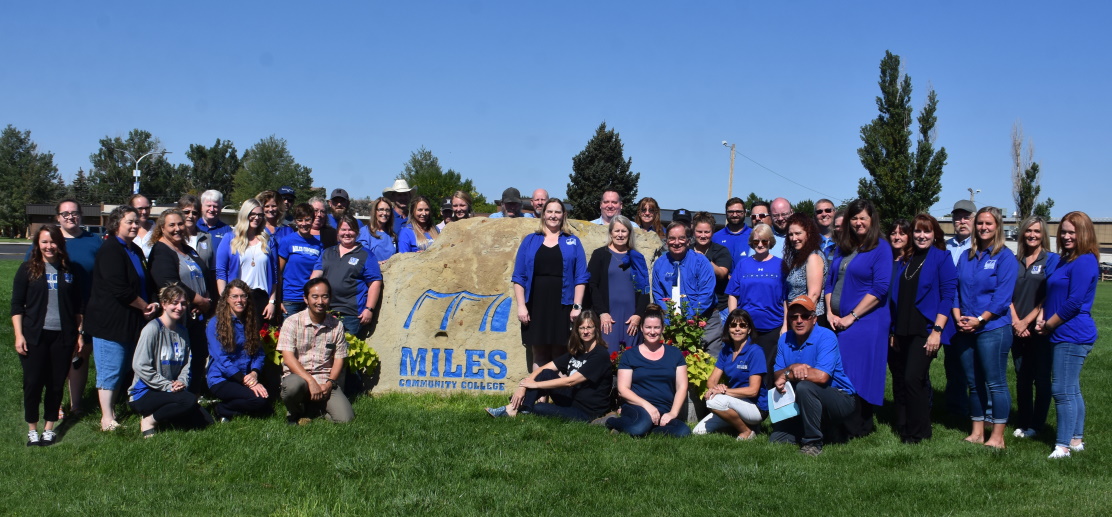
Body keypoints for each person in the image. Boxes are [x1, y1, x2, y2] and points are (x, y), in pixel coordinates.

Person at [86, 205, 159, 432]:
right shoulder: (110, 250)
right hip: (110, 322)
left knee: (128, 366)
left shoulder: (134, 250)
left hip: (132, 319)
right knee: (111, 368)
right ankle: (107, 417)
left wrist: (153, 301)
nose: (135, 225)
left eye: (136, 222)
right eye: (130, 221)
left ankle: (121, 408)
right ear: (116, 223)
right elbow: (119, 288)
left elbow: (144, 281)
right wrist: (144, 305)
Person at [824, 199, 892, 438]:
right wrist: (830, 312)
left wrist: (852, 316)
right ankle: (842, 422)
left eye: (863, 217)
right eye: (854, 218)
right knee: (841, 371)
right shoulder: (843, 247)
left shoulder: (881, 248)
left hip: (867, 322)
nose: (858, 222)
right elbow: (830, 282)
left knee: (858, 371)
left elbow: (880, 288)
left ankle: (859, 425)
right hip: (839, 320)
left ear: (872, 220)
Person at [887, 214, 956, 444]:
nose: (921, 236)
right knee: (903, 379)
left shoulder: (941, 258)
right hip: (903, 329)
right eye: (917, 231)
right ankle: (905, 427)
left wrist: (937, 330)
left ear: (934, 233)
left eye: (926, 231)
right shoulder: (908, 258)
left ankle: (921, 431)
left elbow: (947, 296)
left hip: (925, 330)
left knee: (912, 379)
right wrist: (895, 331)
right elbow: (899, 297)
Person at [952, 206, 1017, 449]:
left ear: (998, 226)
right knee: (974, 382)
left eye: (989, 224)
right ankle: (977, 432)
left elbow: (1002, 297)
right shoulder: (967, 257)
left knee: (995, 382)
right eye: (980, 223)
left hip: (993, 328)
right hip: (966, 327)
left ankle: (997, 437)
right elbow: (955, 290)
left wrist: (981, 319)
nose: (983, 228)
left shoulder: (1005, 257)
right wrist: (959, 317)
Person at [12, 225, 82, 446]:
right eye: (44, 241)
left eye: (53, 242)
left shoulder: (70, 270)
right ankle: (32, 428)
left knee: (55, 383)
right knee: (33, 382)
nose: (49, 246)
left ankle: (49, 427)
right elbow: (16, 306)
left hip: (63, 337)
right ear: (37, 244)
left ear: (60, 244)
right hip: (34, 336)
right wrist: (19, 335)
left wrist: (79, 334)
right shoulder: (28, 269)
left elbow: (78, 306)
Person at [1037, 211, 1099, 459]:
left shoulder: (1085, 261)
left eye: (1072, 232)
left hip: (1072, 333)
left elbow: (1074, 303)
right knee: (1072, 389)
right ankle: (1076, 440)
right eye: (1063, 231)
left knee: (1061, 390)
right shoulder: (1067, 260)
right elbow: (1055, 296)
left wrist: (1048, 325)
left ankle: (1062, 446)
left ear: (1084, 233)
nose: (1066, 236)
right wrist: (1044, 316)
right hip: (1062, 331)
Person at [485, 310, 614, 422]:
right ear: (577, 331)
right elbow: (544, 368)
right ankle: (513, 409)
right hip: (572, 400)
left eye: (589, 327)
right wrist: (523, 386)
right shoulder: (577, 352)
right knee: (546, 373)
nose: (585, 332)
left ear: (596, 329)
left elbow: (570, 381)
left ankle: (517, 409)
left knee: (540, 408)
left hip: (587, 412)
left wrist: (534, 385)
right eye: (582, 328)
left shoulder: (600, 355)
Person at [770, 296, 856, 456]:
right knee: (776, 438)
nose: (799, 320)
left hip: (840, 396)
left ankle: (812, 443)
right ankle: (828, 431)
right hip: (803, 399)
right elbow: (777, 375)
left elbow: (821, 377)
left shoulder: (827, 337)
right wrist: (792, 369)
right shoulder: (784, 339)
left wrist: (789, 374)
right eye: (794, 317)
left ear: (814, 318)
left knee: (805, 386)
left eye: (805, 316)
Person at [512, 198, 589, 370]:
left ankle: (558, 396)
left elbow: (581, 277)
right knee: (538, 352)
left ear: (563, 215)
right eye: (550, 211)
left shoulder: (573, 241)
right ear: (543, 214)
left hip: (563, 305)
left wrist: (577, 306)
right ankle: (540, 397)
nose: (553, 216)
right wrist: (521, 306)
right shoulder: (530, 240)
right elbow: (519, 276)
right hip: (536, 304)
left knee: (560, 353)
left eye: (557, 212)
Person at [128, 285, 213, 437]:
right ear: (164, 304)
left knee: (206, 421)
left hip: (172, 390)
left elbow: (187, 363)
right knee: (188, 401)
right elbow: (139, 365)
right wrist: (166, 385)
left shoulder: (183, 331)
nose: (179, 307)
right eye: (174, 302)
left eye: (183, 303)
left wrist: (182, 382)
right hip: (145, 392)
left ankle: (166, 415)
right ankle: (149, 420)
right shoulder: (152, 329)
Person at [45, 200, 102, 417]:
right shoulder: (50, 240)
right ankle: (56, 403)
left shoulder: (94, 241)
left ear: (81, 215)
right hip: (55, 308)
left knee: (80, 355)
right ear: (58, 217)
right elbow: (32, 269)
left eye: (75, 213)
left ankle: (76, 405)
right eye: (65, 213)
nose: (70, 217)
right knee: (57, 357)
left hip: (87, 308)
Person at [147, 208, 214, 393]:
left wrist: (204, 302)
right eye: (172, 225)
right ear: (161, 228)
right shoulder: (161, 251)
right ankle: (175, 395)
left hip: (197, 314)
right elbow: (169, 283)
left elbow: (203, 274)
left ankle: (193, 393)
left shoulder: (187, 249)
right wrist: (198, 299)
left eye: (180, 224)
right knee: (179, 357)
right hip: (177, 316)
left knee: (199, 354)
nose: (177, 228)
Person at [1008, 215, 1059, 439]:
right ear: (1022, 233)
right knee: (1022, 376)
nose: (1032, 235)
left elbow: (1049, 296)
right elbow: (1005, 293)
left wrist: (1027, 321)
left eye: (1037, 231)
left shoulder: (1051, 260)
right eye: (1028, 231)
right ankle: (1024, 421)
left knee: (1041, 377)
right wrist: (1016, 321)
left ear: (1043, 234)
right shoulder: (1013, 260)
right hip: (1016, 327)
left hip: (1040, 328)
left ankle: (1037, 425)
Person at [605, 305, 691, 437]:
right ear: (641, 328)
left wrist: (673, 413)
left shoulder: (675, 354)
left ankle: (646, 429)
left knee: (683, 432)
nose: (652, 332)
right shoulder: (630, 355)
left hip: (664, 409)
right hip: (637, 406)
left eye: (656, 327)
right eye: (648, 327)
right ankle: (611, 421)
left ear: (662, 328)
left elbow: (682, 387)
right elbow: (623, 389)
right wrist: (647, 406)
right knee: (639, 428)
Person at [277, 278, 353, 424]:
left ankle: (313, 409)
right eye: (315, 296)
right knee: (292, 386)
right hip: (298, 378)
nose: (320, 301)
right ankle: (295, 413)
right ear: (305, 299)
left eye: (324, 296)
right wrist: (311, 381)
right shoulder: (292, 322)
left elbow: (339, 359)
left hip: (324, 380)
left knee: (345, 419)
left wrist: (329, 384)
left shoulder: (336, 326)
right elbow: (288, 358)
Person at [693, 309, 767, 440]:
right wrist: (716, 388)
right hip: (734, 401)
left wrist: (724, 391)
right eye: (733, 325)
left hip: (756, 407)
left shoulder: (755, 351)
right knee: (697, 432)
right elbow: (711, 381)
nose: (737, 329)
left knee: (713, 400)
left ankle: (746, 432)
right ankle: (738, 424)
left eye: (742, 325)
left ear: (749, 330)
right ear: (728, 328)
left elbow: (753, 391)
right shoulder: (726, 350)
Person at [726, 223, 783, 385]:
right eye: (756, 241)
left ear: (770, 242)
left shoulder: (780, 265)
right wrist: (734, 319)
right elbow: (733, 295)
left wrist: (785, 325)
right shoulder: (743, 265)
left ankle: (766, 407)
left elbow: (786, 297)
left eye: (764, 241)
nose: (760, 245)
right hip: (747, 328)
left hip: (772, 326)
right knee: (745, 369)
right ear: (751, 242)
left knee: (768, 370)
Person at [206, 279, 271, 421]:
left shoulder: (250, 322)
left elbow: (259, 354)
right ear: (227, 299)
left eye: (243, 296)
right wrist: (247, 382)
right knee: (259, 401)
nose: (239, 300)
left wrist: (254, 373)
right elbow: (222, 359)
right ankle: (222, 409)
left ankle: (227, 407)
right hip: (222, 379)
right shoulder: (215, 324)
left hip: (246, 376)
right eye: (234, 296)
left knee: (265, 402)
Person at [311, 214, 383, 338]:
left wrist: (369, 309)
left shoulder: (366, 255)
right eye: (343, 229)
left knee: (346, 353)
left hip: (351, 314)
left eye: (351, 230)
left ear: (357, 232)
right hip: (326, 310)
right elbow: (316, 274)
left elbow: (375, 282)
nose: (347, 233)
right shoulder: (328, 252)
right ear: (338, 232)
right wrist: (310, 293)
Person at [650, 222, 717, 353]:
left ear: (688, 241)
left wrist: (687, 319)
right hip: (671, 322)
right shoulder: (660, 264)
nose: (676, 242)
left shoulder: (701, 262)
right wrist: (672, 320)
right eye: (672, 238)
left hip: (703, 319)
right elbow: (658, 295)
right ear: (666, 241)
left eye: (681, 238)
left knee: (708, 362)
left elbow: (706, 295)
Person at [586, 215, 649, 353]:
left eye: (624, 231)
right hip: (608, 318)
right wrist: (602, 312)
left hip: (631, 319)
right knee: (607, 356)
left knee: (630, 358)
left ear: (629, 233)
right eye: (616, 231)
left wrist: (638, 315)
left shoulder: (637, 257)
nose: (620, 235)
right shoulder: (599, 255)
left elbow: (645, 289)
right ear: (610, 233)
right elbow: (592, 285)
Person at [216, 199, 279, 322]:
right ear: (245, 214)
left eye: (260, 215)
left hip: (262, 300)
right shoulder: (230, 238)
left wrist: (272, 302)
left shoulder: (268, 240)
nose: (257, 218)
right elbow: (221, 272)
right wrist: (226, 300)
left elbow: (275, 275)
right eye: (253, 214)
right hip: (238, 300)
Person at [691, 211, 731, 349]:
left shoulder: (720, 251)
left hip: (719, 308)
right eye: (699, 231)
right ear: (693, 230)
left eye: (707, 232)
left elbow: (722, 273)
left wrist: (704, 259)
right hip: (694, 308)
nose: (703, 235)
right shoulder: (687, 251)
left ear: (713, 232)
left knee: (718, 349)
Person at [277, 203, 324, 316]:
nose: (304, 224)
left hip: (310, 299)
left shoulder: (319, 245)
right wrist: (278, 300)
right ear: (295, 221)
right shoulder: (287, 241)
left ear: (312, 220)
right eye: (300, 220)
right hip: (290, 298)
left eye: (307, 220)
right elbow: (278, 272)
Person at [783, 213, 828, 323]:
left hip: (808, 319)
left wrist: (801, 320)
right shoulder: (799, 257)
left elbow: (813, 295)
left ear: (808, 233)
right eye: (790, 234)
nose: (794, 238)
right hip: (796, 317)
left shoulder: (813, 257)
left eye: (798, 233)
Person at [177, 195, 217, 292]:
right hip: (179, 293)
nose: (190, 216)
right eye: (186, 212)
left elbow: (212, 270)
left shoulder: (206, 237)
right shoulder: (174, 238)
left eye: (194, 213)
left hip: (204, 293)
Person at [357, 197, 397, 264]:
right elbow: (361, 257)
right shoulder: (364, 232)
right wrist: (377, 263)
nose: (384, 213)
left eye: (387, 210)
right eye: (381, 209)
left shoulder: (392, 235)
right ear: (375, 211)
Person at [713, 197, 751, 265]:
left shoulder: (754, 235)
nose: (735, 215)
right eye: (731, 212)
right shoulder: (715, 237)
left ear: (745, 212)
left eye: (738, 211)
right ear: (726, 213)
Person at [198, 190, 233, 254]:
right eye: (209, 206)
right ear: (201, 207)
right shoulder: (194, 227)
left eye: (215, 206)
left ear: (220, 208)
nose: (212, 209)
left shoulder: (227, 230)